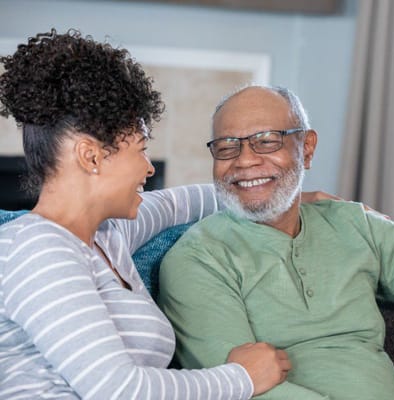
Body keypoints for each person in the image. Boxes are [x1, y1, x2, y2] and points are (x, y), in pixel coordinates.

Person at [0, 30, 318, 399]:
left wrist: (282, 194)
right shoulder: (37, 249)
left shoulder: (109, 236)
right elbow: (118, 391)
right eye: (141, 149)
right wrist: (242, 377)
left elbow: (178, 203)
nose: (149, 168)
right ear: (91, 157)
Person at [158, 85, 394, 400]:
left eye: (266, 141)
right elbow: (240, 389)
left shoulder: (355, 226)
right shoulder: (197, 259)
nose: (245, 160)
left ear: (306, 148)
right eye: (227, 147)